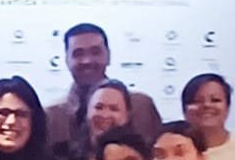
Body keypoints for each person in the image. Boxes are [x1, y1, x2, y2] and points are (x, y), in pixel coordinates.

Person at [45, 23, 162, 152]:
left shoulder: (142, 107)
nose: (87, 60)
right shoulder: (52, 117)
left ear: (108, 56)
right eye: (78, 54)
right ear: (67, 60)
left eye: (96, 52)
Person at [69, 80, 133, 160]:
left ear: (128, 115)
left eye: (114, 109)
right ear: (87, 111)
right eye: (98, 107)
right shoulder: (63, 159)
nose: (105, 115)